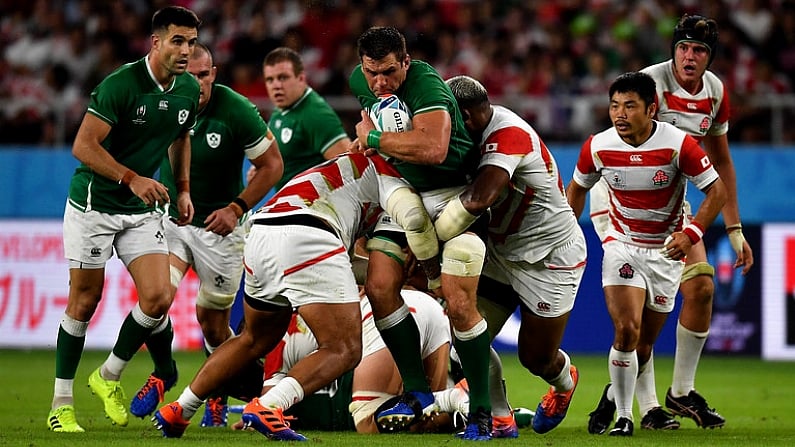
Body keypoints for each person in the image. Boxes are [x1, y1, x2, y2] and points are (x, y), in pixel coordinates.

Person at [152, 152, 443, 440]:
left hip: (263, 232)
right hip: (310, 235)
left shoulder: (349, 164)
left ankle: (180, 408)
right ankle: (269, 406)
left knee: (253, 338)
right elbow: (386, 266)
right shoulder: (396, 184)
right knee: (344, 348)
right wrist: (432, 276)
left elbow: (351, 263)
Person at [586, 14, 754, 431]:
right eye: (683, 47)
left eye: (699, 50)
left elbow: (721, 162)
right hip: (620, 200)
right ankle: (641, 408)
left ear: (710, 58)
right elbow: (613, 141)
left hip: (670, 207)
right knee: (634, 319)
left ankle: (677, 392)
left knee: (701, 289)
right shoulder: (650, 83)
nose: (689, 57)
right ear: (672, 50)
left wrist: (734, 230)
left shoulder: (714, 93)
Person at [46, 6, 201, 433]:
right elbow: (83, 146)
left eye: (191, 42)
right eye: (177, 41)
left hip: (140, 211)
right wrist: (131, 178)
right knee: (84, 302)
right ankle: (61, 404)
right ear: (156, 42)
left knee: (158, 299)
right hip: (94, 207)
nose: (186, 50)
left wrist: (183, 187)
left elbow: (180, 135)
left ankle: (107, 375)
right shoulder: (121, 84)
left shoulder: (188, 88)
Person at [127, 43, 284, 426]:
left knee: (212, 322)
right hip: (174, 222)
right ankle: (165, 370)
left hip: (221, 231)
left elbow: (272, 164)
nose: (195, 84)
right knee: (156, 297)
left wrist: (236, 209)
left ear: (213, 73)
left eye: (203, 75)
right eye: (187, 76)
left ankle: (217, 391)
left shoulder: (236, 110)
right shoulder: (162, 103)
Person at [348, 26, 492, 440]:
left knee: (459, 302)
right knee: (379, 287)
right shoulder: (360, 82)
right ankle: (417, 391)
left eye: (390, 72)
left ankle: (481, 409)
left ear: (406, 63)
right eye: (372, 72)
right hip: (405, 189)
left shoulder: (426, 86)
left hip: (452, 193)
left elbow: (435, 150)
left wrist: (373, 137)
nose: (380, 82)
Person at [566, 71, 727, 436]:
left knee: (644, 344)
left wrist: (692, 233)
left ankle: (613, 396)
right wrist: (568, 235)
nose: (619, 114)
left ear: (651, 109)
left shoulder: (678, 145)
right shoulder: (598, 146)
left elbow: (716, 191)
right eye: (614, 106)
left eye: (629, 106)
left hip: (665, 253)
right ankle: (625, 416)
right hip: (622, 245)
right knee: (626, 330)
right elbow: (576, 188)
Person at [442, 75, 585, 437]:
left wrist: (425, 243)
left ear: (469, 117)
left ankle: (565, 382)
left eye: (448, 118)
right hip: (501, 251)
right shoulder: (468, 134)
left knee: (535, 358)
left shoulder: (509, 135)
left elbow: (478, 199)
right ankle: (501, 416)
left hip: (550, 256)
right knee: (464, 335)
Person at [227, 288, 467, 434]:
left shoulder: (276, 345)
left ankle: (455, 396)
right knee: (425, 419)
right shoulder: (303, 310)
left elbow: (268, 406)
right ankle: (473, 402)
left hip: (378, 320)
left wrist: (256, 416)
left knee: (366, 419)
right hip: (413, 306)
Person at [262, 46, 350, 189]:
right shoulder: (283, 106)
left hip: (310, 206)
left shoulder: (315, 114)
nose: (276, 85)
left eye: (283, 77)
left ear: (301, 78)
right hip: (288, 204)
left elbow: (349, 168)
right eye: (270, 80)